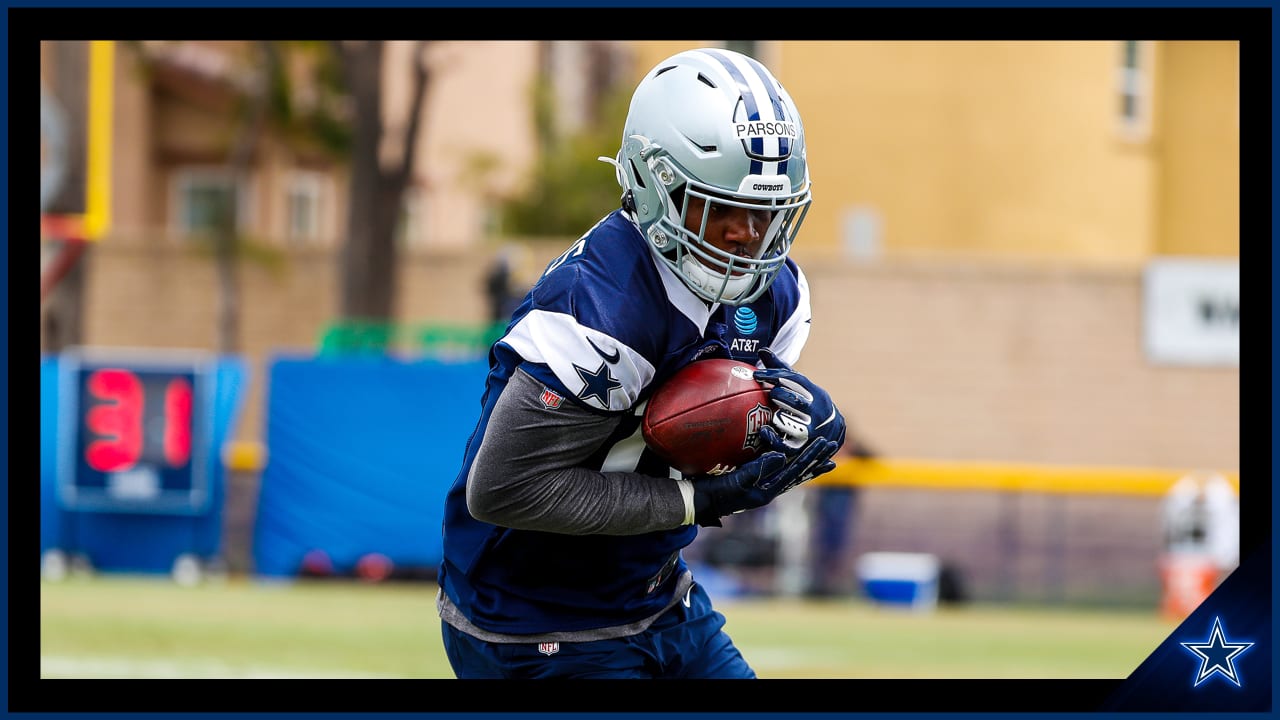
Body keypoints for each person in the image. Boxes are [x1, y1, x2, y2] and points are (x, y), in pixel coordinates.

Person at [437, 47, 846, 679]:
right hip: (533, 618)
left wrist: (798, 427)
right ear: (657, 186)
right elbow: (505, 490)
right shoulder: (599, 308)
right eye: (723, 209)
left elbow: (722, 423)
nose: (747, 235)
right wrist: (693, 501)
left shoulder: (778, 295)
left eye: (768, 213)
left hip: (657, 596)